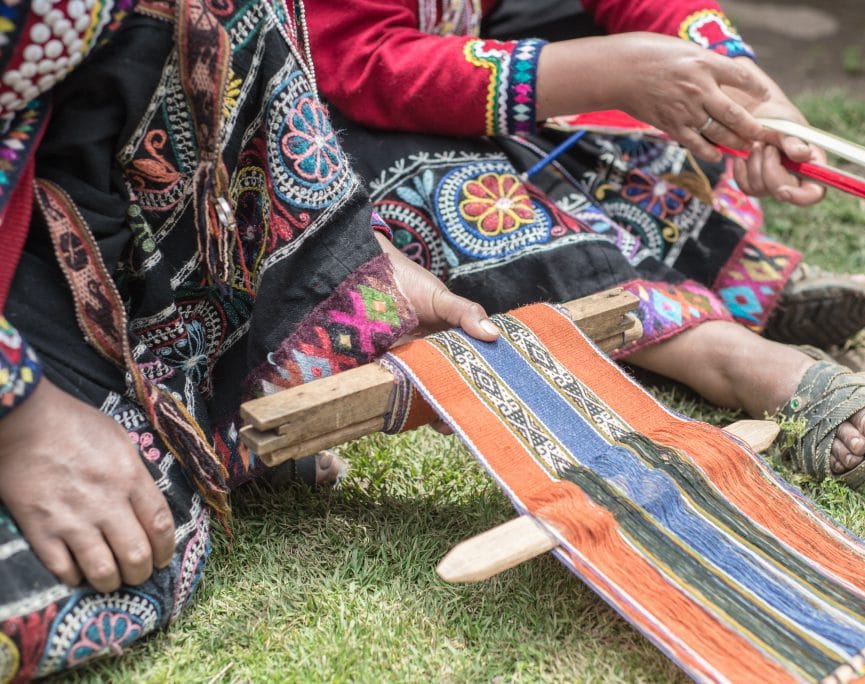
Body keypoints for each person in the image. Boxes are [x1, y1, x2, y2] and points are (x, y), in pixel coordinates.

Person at [0, 0, 498, 679]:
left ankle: (208, 420)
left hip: (77, 260)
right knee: (112, 554)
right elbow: (365, 57)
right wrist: (21, 413)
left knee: (144, 511)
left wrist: (360, 264)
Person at [306, 0, 865, 486]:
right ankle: (720, 353)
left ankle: (736, 277)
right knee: (454, 184)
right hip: (335, 123)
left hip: (456, 56)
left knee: (637, 95)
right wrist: (608, 71)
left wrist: (748, 92)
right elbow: (363, 63)